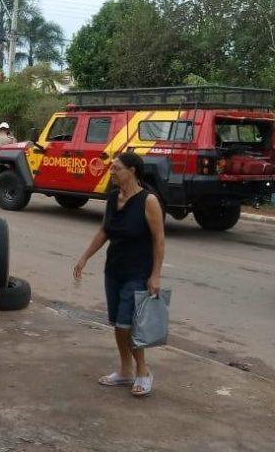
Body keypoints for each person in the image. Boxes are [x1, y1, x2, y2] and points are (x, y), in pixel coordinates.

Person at [74, 152, 165, 398]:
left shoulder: (149, 201)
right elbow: (105, 231)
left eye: (116, 168)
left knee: (129, 324)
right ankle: (125, 371)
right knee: (118, 323)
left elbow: (158, 240)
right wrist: (85, 257)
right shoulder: (114, 197)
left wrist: (155, 275)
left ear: (132, 171)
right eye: (111, 168)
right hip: (114, 270)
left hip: (138, 273)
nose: (111, 172)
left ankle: (143, 372)